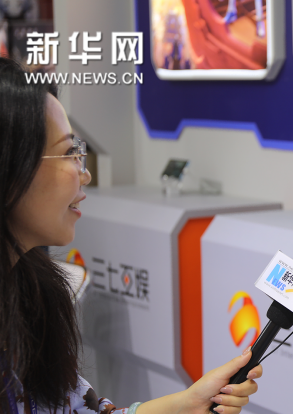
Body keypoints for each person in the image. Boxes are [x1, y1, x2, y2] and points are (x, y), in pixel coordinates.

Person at [0, 56, 262, 414]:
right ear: (10, 167)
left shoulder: (31, 294)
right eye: (68, 153)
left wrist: (187, 403)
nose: (85, 174)